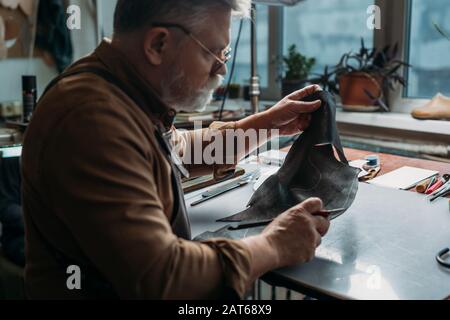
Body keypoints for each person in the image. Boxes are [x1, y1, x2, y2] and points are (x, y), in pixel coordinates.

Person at [21, 0, 330, 299]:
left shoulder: (126, 95)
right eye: (214, 52)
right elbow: (164, 278)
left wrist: (267, 125)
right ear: (158, 44)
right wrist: (274, 246)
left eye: (226, 53)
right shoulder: (89, 118)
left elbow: (179, 150)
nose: (221, 69)